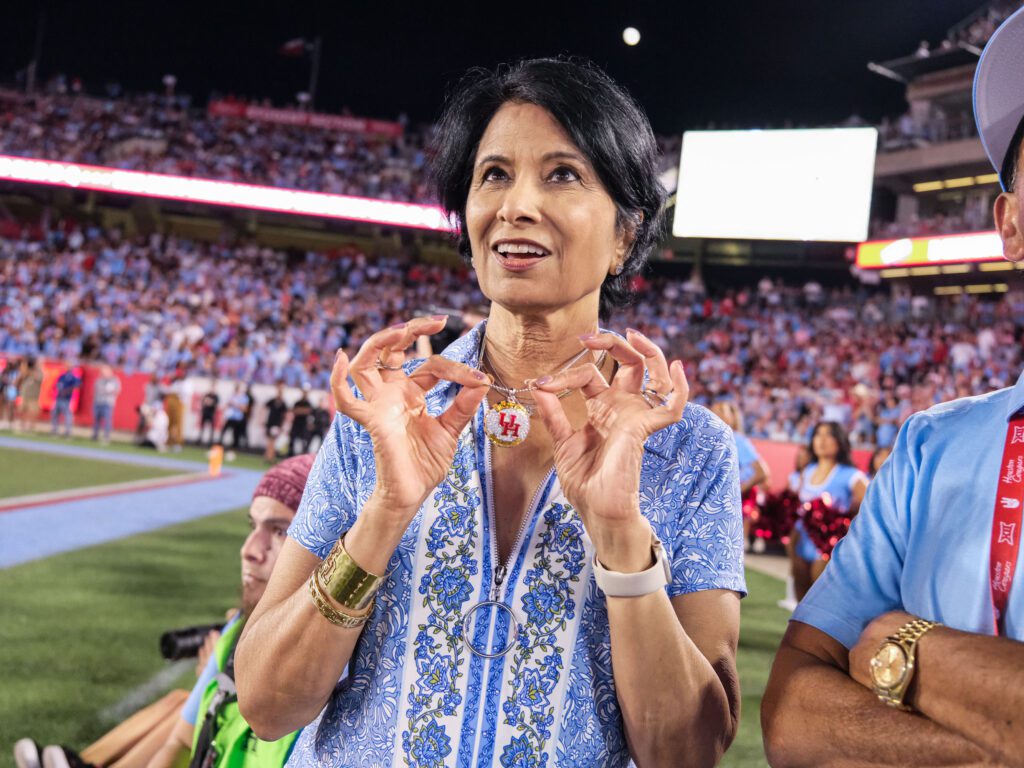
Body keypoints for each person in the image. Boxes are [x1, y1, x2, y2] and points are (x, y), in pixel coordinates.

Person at [236, 58, 744, 768]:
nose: (516, 206)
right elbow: (264, 704)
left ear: (627, 232)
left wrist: (623, 538)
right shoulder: (388, 413)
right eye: (494, 175)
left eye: (562, 174)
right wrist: (383, 516)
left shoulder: (687, 446)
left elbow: (685, 751)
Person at [762, 10, 1024, 765]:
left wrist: (909, 648)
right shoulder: (935, 445)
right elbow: (791, 716)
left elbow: (847, 678)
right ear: (1010, 226)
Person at [15, 455, 315, 768]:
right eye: (252, 526)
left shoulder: (337, 673)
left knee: (181, 702)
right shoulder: (237, 633)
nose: (249, 550)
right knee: (185, 706)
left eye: (280, 531)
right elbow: (182, 742)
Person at [788, 421, 867, 601]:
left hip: (827, 546)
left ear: (839, 441)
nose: (821, 440)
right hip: (800, 541)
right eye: (817, 435)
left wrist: (847, 524)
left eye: (828, 435)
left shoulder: (851, 475)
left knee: (819, 598)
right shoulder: (808, 470)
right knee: (800, 597)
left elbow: (871, 505)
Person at [712, 400, 770, 551]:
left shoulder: (737, 439)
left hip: (734, 502)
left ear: (732, 417)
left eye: (722, 410)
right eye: (714, 410)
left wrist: (737, 489)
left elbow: (762, 471)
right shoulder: (713, 439)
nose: (717, 413)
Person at [91, 365, 121, 444]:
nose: (104, 373)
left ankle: (106, 436)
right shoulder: (99, 380)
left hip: (107, 402)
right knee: (96, 419)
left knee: (107, 420)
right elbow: (96, 390)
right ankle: (95, 435)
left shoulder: (114, 380)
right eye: (103, 371)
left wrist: (112, 399)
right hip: (98, 401)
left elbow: (117, 390)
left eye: (105, 371)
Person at [51, 362, 81, 437]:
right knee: (55, 414)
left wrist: (67, 391)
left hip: (67, 399)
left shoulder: (73, 377)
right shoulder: (62, 376)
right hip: (59, 398)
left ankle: (68, 431)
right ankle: (54, 430)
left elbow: (77, 385)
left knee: (67, 415)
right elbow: (57, 385)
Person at [17, 357, 44, 432]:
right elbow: (19, 379)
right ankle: (22, 426)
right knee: (22, 411)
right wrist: (24, 367)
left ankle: (31, 428)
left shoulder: (38, 371)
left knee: (33, 413)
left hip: (33, 397)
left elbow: (39, 378)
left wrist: (31, 370)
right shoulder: (25, 371)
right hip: (24, 396)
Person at [263, 383, 288, 462]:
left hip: (276, 424)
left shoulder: (283, 404)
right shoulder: (272, 401)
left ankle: (270, 456)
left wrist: (282, 425)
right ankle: (268, 456)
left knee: (273, 440)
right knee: (270, 440)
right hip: (270, 423)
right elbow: (264, 408)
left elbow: (284, 415)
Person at [220, 384, 249, 451]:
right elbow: (227, 405)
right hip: (230, 417)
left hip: (237, 418)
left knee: (235, 434)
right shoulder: (232, 396)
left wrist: (236, 404)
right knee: (223, 431)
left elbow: (245, 409)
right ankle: (219, 447)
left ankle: (233, 449)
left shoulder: (244, 398)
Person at [286, 388, 312, 457]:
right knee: (292, 440)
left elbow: (308, 411)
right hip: (296, 424)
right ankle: (290, 456)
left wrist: (299, 410)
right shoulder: (298, 402)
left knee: (304, 442)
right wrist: (302, 411)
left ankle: (303, 456)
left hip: (304, 425)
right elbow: (294, 411)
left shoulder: (308, 403)